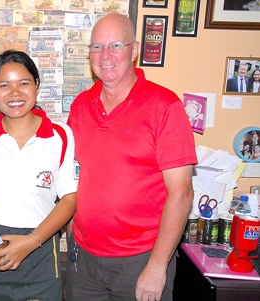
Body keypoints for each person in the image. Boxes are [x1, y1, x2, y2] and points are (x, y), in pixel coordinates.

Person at [65, 13, 197, 301]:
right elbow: (73, 177)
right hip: (83, 259)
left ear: (134, 50)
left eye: (116, 45)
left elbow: (182, 194)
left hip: (140, 261)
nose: (105, 56)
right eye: (97, 47)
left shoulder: (164, 106)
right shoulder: (80, 106)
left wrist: (158, 266)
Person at [0, 50, 77, 300]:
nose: (15, 93)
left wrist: (31, 241)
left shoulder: (61, 136)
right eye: (4, 85)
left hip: (39, 249)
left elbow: (70, 198)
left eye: (24, 83)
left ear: (37, 85)